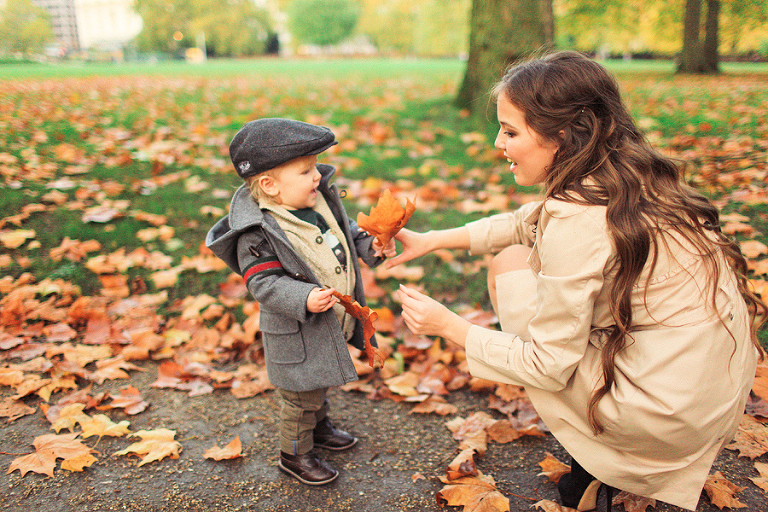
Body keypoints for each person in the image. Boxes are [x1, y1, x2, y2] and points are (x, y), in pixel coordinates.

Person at [390, 51, 765, 511]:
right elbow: (529, 221)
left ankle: (600, 458)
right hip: (706, 395)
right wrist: (432, 240)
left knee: (510, 269)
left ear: (563, 137)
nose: (498, 143)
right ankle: (601, 450)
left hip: (659, 415)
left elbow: (546, 364)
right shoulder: (628, 175)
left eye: (510, 131)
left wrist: (449, 326)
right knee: (519, 260)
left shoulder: (578, 216)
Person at [206, 118, 395, 486]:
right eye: (306, 171)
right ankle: (294, 453)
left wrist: (371, 246)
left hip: (328, 324)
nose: (316, 176)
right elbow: (262, 282)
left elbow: (346, 233)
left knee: (317, 383)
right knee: (300, 399)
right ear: (270, 185)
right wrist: (303, 296)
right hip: (296, 335)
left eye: (315, 167)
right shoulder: (258, 231)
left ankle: (319, 428)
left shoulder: (319, 200)